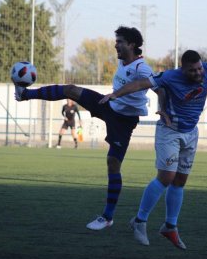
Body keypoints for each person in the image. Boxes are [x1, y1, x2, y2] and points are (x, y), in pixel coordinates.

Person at [99, 50, 207, 250]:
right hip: (170, 131)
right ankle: (139, 221)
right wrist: (115, 93)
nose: (199, 73)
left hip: (191, 132)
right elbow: (141, 84)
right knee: (166, 176)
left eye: (199, 68)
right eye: (193, 70)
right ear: (183, 69)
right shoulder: (169, 76)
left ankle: (170, 227)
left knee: (180, 180)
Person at [13, 26, 153, 230]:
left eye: (120, 41)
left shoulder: (143, 68)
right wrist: (114, 97)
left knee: (113, 164)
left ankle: (107, 217)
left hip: (123, 121)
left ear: (132, 44)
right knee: (70, 90)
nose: (116, 44)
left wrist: (165, 111)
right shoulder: (122, 61)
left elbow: (154, 85)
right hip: (108, 105)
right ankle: (25, 94)